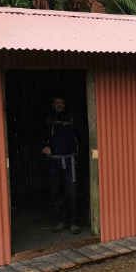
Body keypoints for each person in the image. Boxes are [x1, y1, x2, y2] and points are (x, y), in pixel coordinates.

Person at [41, 96, 88, 234]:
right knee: (56, 192)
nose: (59, 104)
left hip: (70, 162)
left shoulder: (73, 118)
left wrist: (82, 155)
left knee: (72, 192)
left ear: (66, 104)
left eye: (62, 102)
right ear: (52, 104)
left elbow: (84, 136)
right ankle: (61, 221)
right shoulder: (47, 118)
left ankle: (73, 221)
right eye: (57, 102)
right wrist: (42, 147)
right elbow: (37, 135)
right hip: (53, 161)